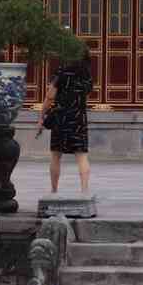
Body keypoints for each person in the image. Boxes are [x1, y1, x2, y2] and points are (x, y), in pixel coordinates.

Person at [43, 51, 94, 196]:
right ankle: (84, 191)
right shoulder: (86, 74)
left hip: (61, 117)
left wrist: (42, 115)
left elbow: (50, 96)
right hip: (78, 118)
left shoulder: (61, 72)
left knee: (56, 155)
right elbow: (85, 96)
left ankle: (54, 191)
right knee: (82, 156)